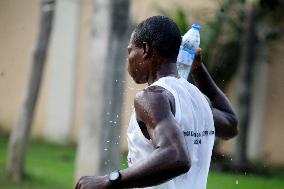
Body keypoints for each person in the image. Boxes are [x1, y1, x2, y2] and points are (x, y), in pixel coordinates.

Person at [75, 15, 238, 189]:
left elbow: (177, 156)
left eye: (130, 51)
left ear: (145, 49)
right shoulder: (198, 99)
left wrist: (108, 181)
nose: (128, 60)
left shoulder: (152, 97)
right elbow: (230, 124)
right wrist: (198, 69)